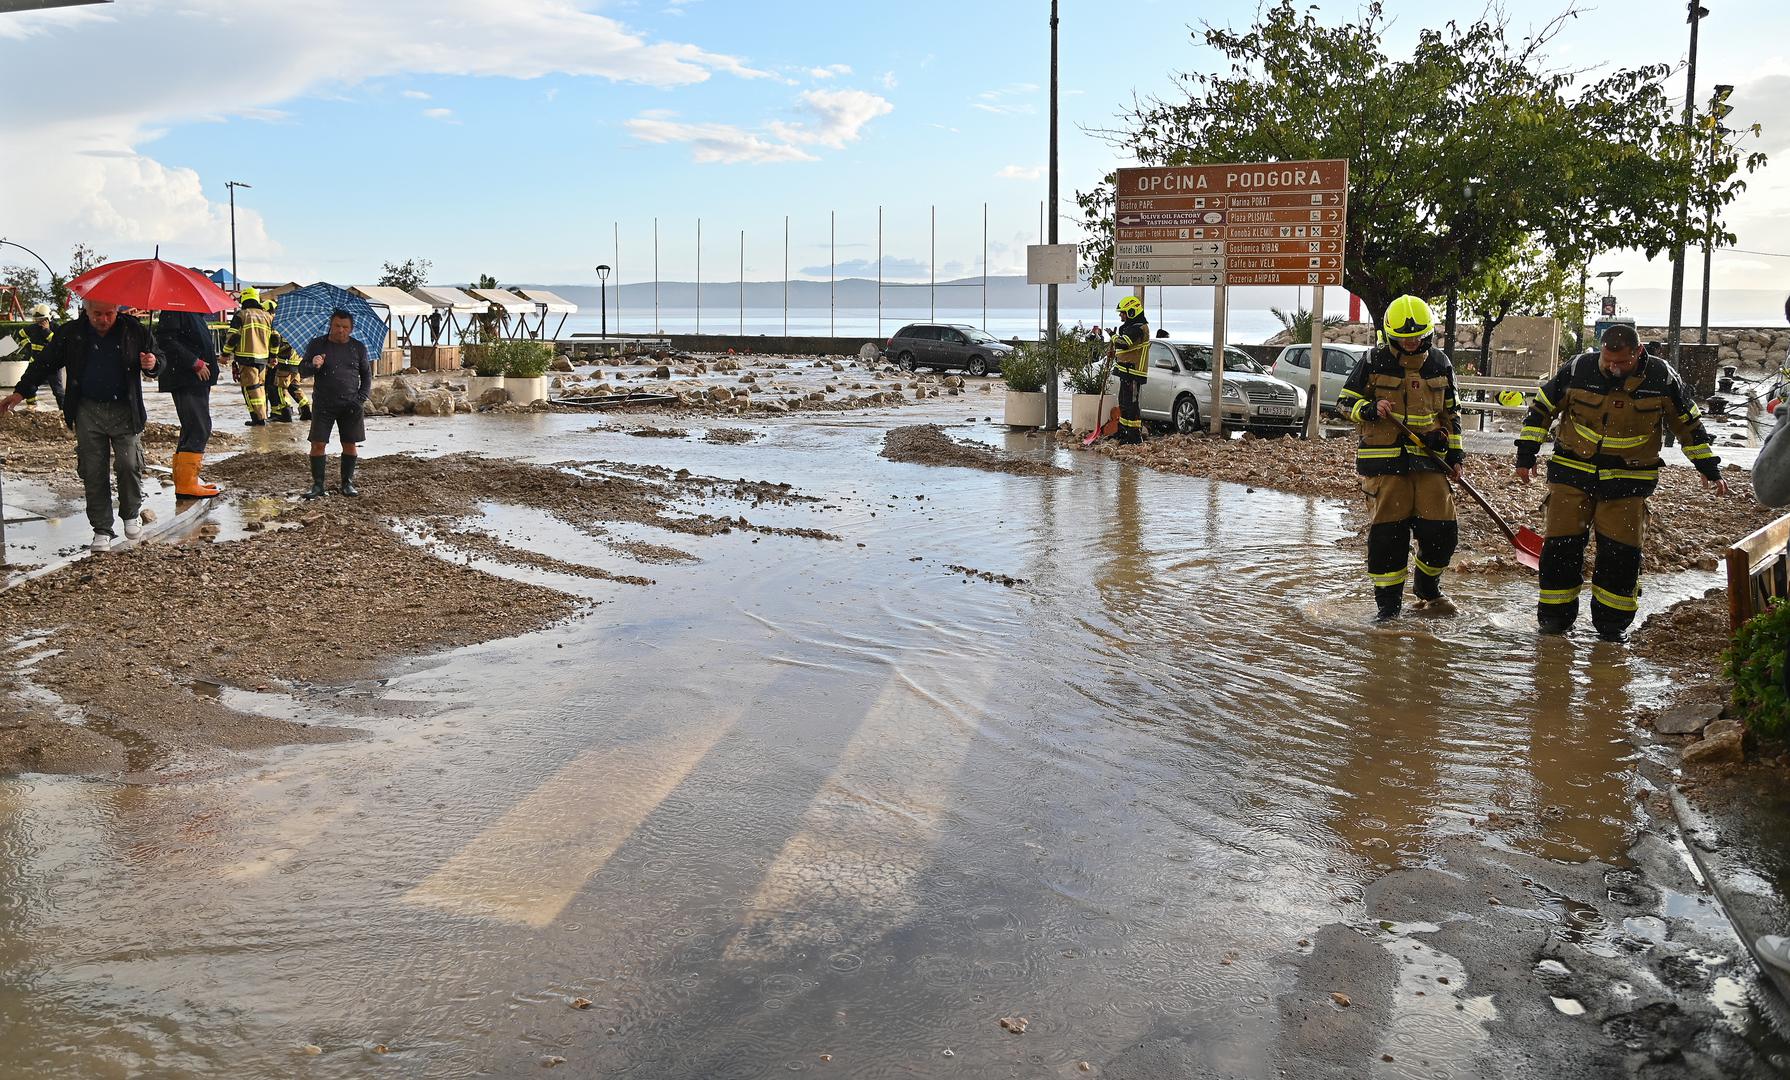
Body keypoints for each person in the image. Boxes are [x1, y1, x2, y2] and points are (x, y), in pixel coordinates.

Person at [1515, 323, 1726, 642]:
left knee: (1620, 557)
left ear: (1638, 352)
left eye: (1622, 362)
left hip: (1627, 484)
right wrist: (1526, 456)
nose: (1613, 368)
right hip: (1571, 475)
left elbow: (1689, 426)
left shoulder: (1661, 378)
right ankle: (1554, 626)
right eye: (1608, 361)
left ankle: (1611, 631)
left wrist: (1709, 467)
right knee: (1561, 550)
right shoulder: (1579, 369)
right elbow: (1542, 409)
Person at [1336, 295, 1464, 621]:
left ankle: (1427, 587)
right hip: (1384, 466)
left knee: (1442, 533)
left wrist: (1456, 455)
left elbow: (1452, 414)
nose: (1411, 342)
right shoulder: (1372, 361)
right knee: (1388, 539)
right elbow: (1342, 403)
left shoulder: (1440, 364)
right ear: (1391, 334)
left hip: (1429, 462)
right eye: (1405, 337)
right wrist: (1368, 409)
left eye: (1418, 336)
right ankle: (1388, 611)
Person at [0, 300, 161, 551]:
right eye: (97, 314)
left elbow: (157, 358)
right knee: (93, 469)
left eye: (109, 314)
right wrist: (20, 393)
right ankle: (102, 530)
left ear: (116, 310)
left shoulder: (135, 330)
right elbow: (44, 363)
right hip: (87, 409)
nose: (104, 319)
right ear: (86, 311)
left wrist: (153, 364)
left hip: (125, 410)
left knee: (129, 463)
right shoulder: (71, 332)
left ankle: (130, 513)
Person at [303, 308, 372, 499]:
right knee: (318, 444)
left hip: (351, 404)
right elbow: (302, 371)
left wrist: (361, 399)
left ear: (351, 328)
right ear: (330, 325)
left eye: (344, 327)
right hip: (323, 404)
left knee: (349, 444)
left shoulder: (358, 347)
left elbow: (366, 376)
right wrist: (314, 365)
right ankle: (318, 486)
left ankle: (347, 484)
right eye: (336, 326)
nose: (340, 330)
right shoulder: (317, 344)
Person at [155, 308, 222, 498]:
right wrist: (194, 362)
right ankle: (186, 485)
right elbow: (166, 340)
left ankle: (185, 481)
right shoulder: (176, 310)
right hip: (186, 377)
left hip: (196, 379)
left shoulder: (192, 313)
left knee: (192, 427)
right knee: (199, 428)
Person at [222, 286, 282, 426]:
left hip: (245, 358)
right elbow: (276, 338)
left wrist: (225, 354)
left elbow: (234, 336)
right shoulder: (268, 316)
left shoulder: (241, 315)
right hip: (263, 359)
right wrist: (273, 356)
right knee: (260, 388)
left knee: (249, 390)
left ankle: (258, 419)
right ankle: (262, 416)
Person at [261, 298, 312, 424]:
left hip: (285, 362)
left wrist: (273, 353)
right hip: (296, 362)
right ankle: (306, 410)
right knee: (294, 387)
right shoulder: (297, 324)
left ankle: (286, 414)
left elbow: (282, 343)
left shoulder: (281, 324)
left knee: (280, 388)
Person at [1110, 295, 1149, 445]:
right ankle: (1123, 432)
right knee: (1124, 403)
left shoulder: (1139, 328)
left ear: (1132, 312)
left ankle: (1134, 437)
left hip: (1134, 373)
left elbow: (1123, 343)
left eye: (1123, 312)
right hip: (1126, 372)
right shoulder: (1131, 327)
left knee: (1131, 404)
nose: (1121, 315)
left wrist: (1113, 336)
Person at [10, 303, 64, 410]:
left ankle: (63, 411)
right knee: (29, 386)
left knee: (58, 390)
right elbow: (20, 335)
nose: (39, 322)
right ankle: (31, 407)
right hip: (34, 362)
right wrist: (28, 346)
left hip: (52, 366)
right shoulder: (33, 328)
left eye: (41, 319)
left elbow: (58, 344)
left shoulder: (56, 328)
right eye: (37, 319)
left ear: (48, 318)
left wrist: (47, 331)